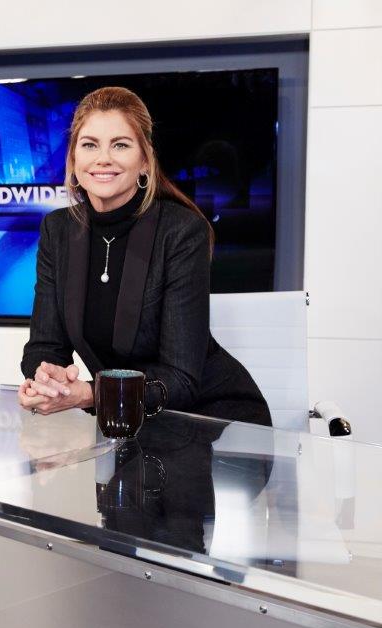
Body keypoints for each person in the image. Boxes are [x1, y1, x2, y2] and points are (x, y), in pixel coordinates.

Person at [19, 87, 270, 426]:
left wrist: (92, 393)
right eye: (90, 145)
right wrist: (48, 380)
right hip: (128, 422)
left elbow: (180, 379)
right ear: (74, 159)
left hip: (212, 420)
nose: (103, 158)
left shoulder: (181, 231)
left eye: (120, 145)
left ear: (145, 161)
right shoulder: (58, 230)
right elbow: (44, 345)